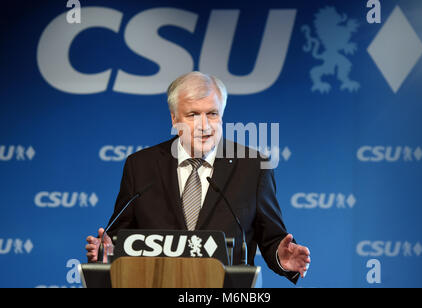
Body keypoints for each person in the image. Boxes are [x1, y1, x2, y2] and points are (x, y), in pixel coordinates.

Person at [85, 71, 310, 283]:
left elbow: (271, 238)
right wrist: (109, 251)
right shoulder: (141, 166)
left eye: (212, 113)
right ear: (174, 119)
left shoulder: (253, 167)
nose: (204, 125)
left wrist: (282, 257)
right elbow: (121, 237)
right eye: (193, 114)